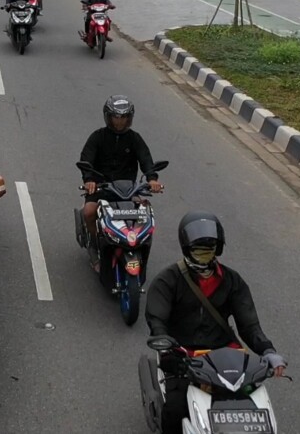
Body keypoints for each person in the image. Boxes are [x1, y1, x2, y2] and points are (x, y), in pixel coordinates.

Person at [146, 212, 286, 434]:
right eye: (198, 248)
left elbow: (249, 326)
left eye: (209, 248)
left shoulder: (233, 281)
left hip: (226, 356)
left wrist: (268, 350)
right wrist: (167, 346)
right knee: (174, 410)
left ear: (218, 249)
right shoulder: (168, 280)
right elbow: (157, 319)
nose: (204, 254)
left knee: (252, 403)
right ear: (186, 248)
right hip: (185, 356)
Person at [79, 95, 163, 270]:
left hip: (128, 189)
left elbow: (145, 159)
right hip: (101, 187)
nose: (120, 121)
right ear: (108, 117)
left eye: (124, 117)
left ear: (129, 118)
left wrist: (152, 179)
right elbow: (86, 159)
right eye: (116, 117)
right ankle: (95, 245)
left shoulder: (134, 138)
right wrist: (89, 181)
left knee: (144, 214)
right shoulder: (97, 137)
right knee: (88, 212)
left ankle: (137, 247)